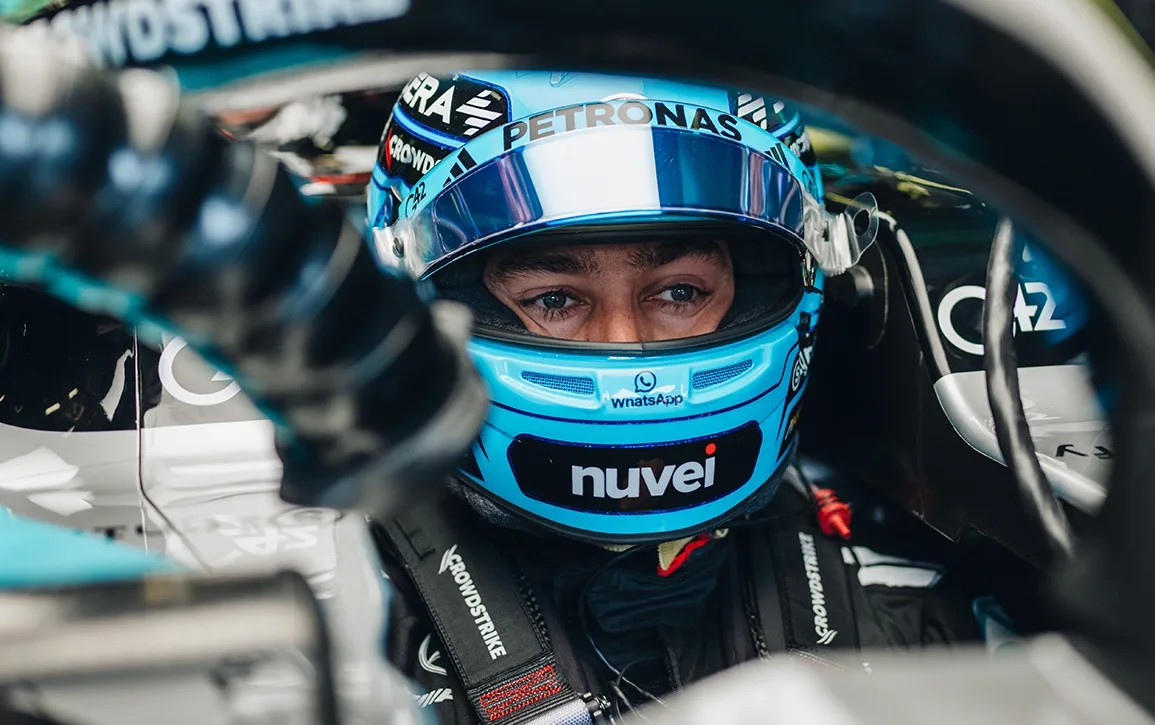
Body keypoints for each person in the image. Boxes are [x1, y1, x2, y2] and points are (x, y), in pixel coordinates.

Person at [367, 71, 990, 724]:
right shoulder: (340, 623)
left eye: (678, 293)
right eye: (552, 299)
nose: (623, 344)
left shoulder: (917, 598)